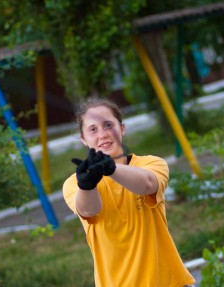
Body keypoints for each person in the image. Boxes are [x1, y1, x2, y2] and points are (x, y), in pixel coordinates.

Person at [62, 97, 195, 287]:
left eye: (108, 125)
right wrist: (87, 185)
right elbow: (89, 210)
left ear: (122, 129)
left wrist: (111, 169)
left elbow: (148, 184)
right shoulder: (74, 183)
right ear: (83, 138)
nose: (103, 134)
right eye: (93, 129)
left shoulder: (151, 163)